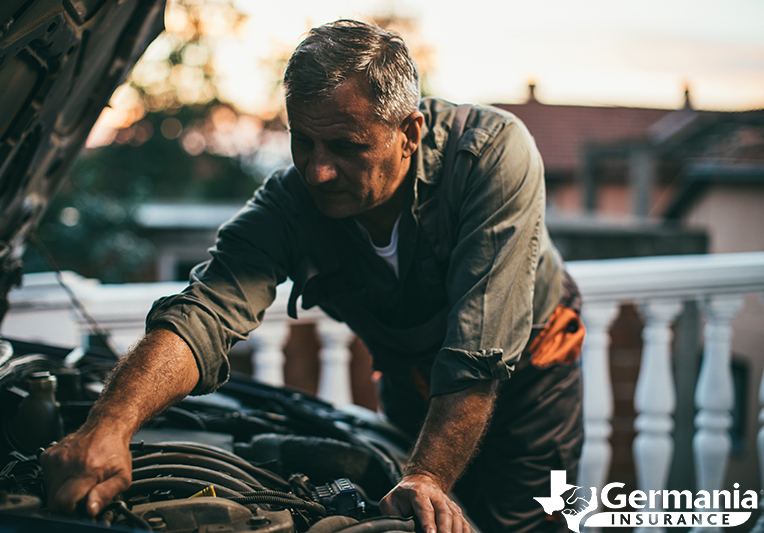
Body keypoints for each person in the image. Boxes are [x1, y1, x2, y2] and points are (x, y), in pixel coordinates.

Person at [41, 19, 584, 533]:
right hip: (413, 382)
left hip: (531, 375)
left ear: (410, 132)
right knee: (410, 518)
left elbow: (477, 351)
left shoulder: (490, 156)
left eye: (346, 146)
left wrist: (428, 475)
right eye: (304, 141)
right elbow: (204, 312)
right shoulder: (290, 205)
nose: (317, 171)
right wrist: (108, 425)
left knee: (523, 520)